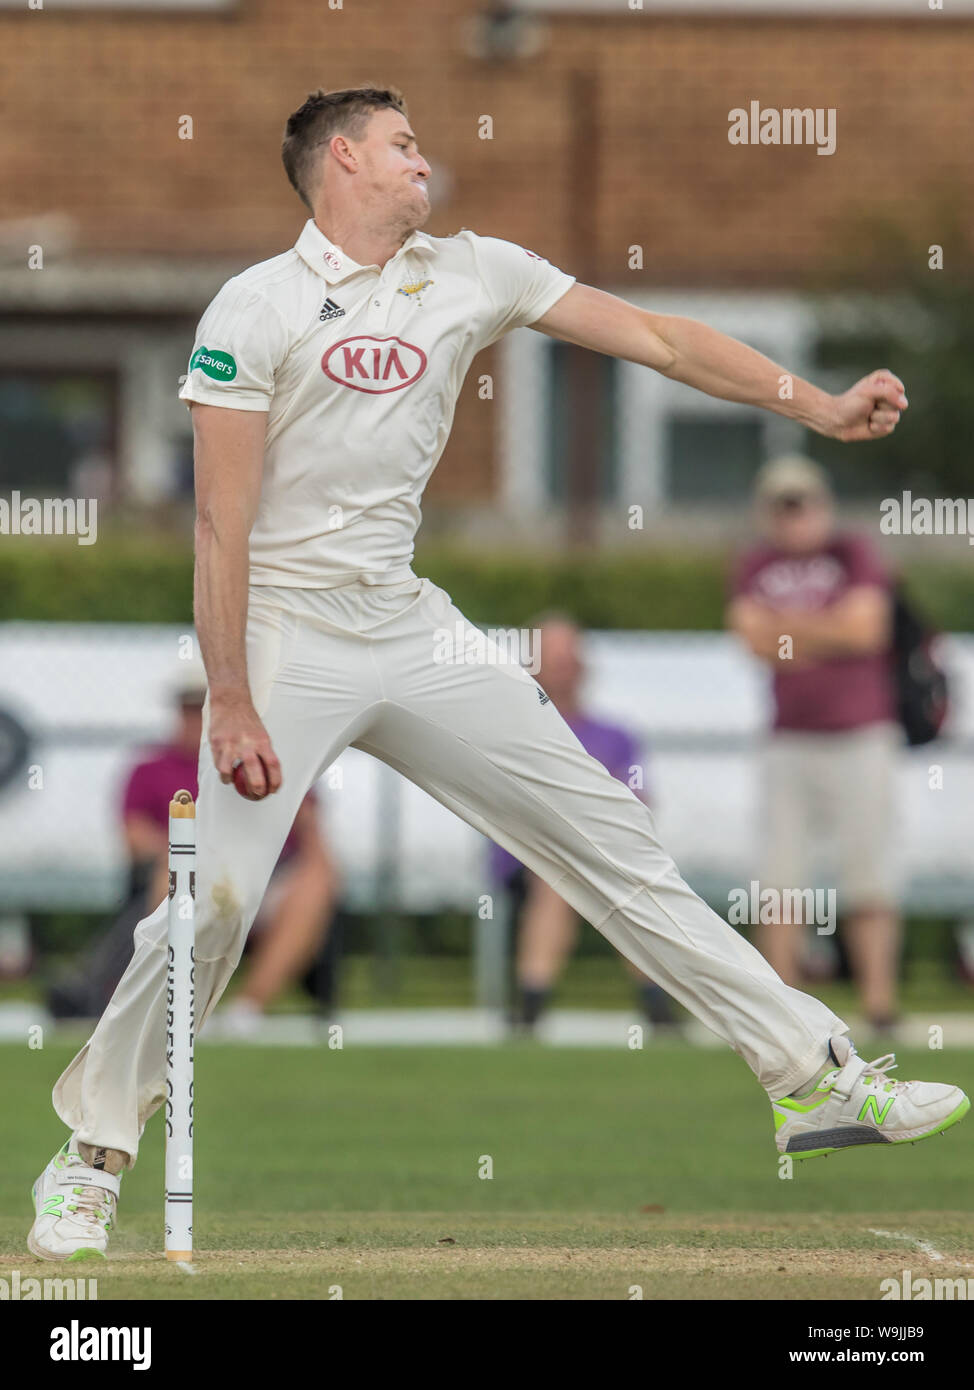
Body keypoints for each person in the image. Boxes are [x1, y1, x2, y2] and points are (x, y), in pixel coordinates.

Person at [29, 84, 967, 1262]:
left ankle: (809, 1077)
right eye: (403, 147)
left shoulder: (475, 271)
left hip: (409, 623)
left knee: (610, 838)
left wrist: (815, 402)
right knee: (211, 908)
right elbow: (219, 526)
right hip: (278, 632)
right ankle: (89, 1159)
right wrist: (228, 692)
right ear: (341, 163)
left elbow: (663, 339)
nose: (426, 164)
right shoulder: (252, 307)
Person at [48, 680, 340, 1030]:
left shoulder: (271, 763)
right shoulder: (150, 769)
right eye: (188, 709)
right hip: (193, 876)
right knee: (175, 867)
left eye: (202, 708)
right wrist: (196, 851)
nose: (195, 719)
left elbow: (313, 840)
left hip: (267, 882)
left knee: (316, 881)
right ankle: (175, 998)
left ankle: (247, 1010)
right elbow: (136, 838)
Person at [727, 457, 901, 1031]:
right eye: (784, 506)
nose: (794, 517)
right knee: (779, 881)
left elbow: (867, 630)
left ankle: (879, 1005)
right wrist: (827, 628)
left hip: (861, 734)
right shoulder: (755, 562)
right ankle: (785, 1014)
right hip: (790, 739)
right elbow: (751, 639)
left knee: (869, 875)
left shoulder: (853, 553)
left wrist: (790, 628)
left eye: (802, 504)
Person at [488, 614, 677, 1031]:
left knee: (619, 876)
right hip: (531, 859)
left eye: (568, 657)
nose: (563, 666)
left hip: (604, 854)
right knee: (561, 877)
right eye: (554, 657)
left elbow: (638, 802)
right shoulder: (510, 729)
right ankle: (538, 1004)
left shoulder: (616, 735)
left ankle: (539, 1006)